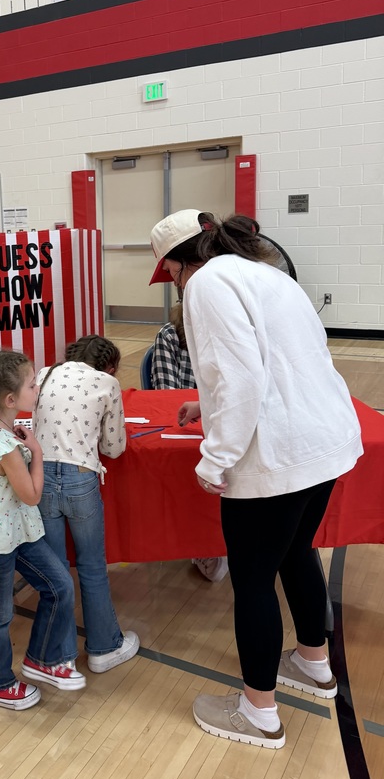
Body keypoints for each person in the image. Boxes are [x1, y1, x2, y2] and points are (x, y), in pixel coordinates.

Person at [149, 209, 363, 750]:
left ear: (179, 263)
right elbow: (281, 362)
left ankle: (259, 712)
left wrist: (215, 459)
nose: (174, 284)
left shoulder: (206, 285)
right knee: (296, 553)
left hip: (277, 454)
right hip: (325, 440)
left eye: (169, 273)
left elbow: (241, 376)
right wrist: (207, 406)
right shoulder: (267, 273)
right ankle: (313, 663)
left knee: (252, 580)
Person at [0, 350, 85, 710]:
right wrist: (36, 452)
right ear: (11, 400)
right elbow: (32, 495)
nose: (37, 389)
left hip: (12, 532)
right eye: (32, 385)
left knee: (59, 586)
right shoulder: (6, 446)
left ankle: (41, 659)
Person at [33, 335, 140, 673]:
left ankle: (60, 655)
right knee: (92, 566)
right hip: (80, 477)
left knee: (56, 571)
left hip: (41, 476)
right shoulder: (107, 383)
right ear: (110, 367)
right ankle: (104, 647)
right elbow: (114, 448)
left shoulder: (46, 373)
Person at [151, 295, 229, 584]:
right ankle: (203, 543)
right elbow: (166, 394)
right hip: (187, 421)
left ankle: (218, 538)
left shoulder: (227, 333)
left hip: (216, 417)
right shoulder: (169, 336)